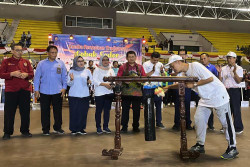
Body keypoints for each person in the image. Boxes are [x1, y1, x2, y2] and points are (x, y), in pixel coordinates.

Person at [165, 54, 238, 159]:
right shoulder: (182, 74)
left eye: (172, 66)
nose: (172, 68)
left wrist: (194, 85)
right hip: (205, 98)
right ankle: (200, 145)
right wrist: (167, 87)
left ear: (178, 62)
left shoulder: (195, 66)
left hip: (218, 95)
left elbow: (210, 78)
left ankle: (232, 148)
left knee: (226, 123)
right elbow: (183, 85)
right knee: (198, 119)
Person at [0, 43, 34, 140]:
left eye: (21, 50)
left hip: (24, 90)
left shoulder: (26, 62)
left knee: (25, 112)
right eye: (17, 50)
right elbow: (1, 74)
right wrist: (12, 74)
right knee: (9, 112)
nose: (20, 52)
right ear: (12, 51)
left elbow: (31, 74)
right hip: (11, 91)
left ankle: (25, 130)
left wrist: (26, 75)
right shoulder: (6, 62)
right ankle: (7, 132)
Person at [34, 45, 67, 135]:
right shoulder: (41, 64)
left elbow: (64, 77)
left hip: (58, 91)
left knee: (58, 111)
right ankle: (45, 129)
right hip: (44, 91)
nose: (54, 54)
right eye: (52, 52)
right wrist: (36, 89)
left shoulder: (61, 63)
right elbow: (37, 78)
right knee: (45, 111)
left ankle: (57, 127)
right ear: (47, 53)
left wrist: (64, 88)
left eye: (55, 52)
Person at [117, 51, 146, 133]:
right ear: (126, 58)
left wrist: (141, 82)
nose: (131, 58)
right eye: (129, 57)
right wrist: (124, 81)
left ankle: (136, 126)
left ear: (135, 57)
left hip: (137, 93)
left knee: (137, 111)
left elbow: (144, 78)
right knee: (125, 110)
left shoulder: (140, 67)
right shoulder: (122, 67)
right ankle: (124, 126)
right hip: (126, 92)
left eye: (133, 56)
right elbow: (118, 78)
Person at [216, 51, 244, 135]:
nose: (229, 59)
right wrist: (219, 72)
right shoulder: (224, 68)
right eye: (228, 58)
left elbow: (238, 81)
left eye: (231, 58)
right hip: (226, 91)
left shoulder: (239, 68)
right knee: (226, 110)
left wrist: (234, 72)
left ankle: (238, 128)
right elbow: (220, 81)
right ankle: (226, 126)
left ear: (235, 59)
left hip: (235, 91)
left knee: (236, 110)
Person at [67, 56, 92, 135]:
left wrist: (89, 82)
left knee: (83, 113)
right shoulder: (71, 71)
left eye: (82, 61)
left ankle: (81, 128)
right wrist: (71, 79)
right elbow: (68, 83)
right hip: (74, 95)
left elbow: (91, 83)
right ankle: (74, 129)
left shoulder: (87, 71)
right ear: (75, 62)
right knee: (74, 112)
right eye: (78, 61)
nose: (81, 62)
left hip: (84, 95)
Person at [143, 52, 165, 129]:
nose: (156, 62)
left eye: (157, 60)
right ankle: (148, 122)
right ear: (151, 58)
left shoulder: (160, 64)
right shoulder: (145, 64)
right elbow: (144, 76)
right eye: (154, 60)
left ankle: (159, 122)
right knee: (148, 105)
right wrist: (152, 71)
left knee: (158, 105)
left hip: (158, 87)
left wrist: (162, 71)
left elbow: (164, 76)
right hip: (148, 87)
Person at [93, 55, 115, 134]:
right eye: (104, 60)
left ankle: (106, 127)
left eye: (107, 60)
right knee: (99, 111)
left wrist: (112, 85)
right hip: (99, 93)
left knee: (107, 111)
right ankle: (98, 127)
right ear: (101, 61)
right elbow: (94, 81)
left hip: (109, 92)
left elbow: (114, 79)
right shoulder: (97, 69)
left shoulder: (111, 70)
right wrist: (104, 84)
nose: (105, 61)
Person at [200, 53, 218, 131]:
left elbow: (216, 79)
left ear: (208, 58)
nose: (203, 60)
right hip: (201, 91)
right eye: (201, 59)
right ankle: (201, 125)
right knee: (200, 109)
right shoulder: (199, 67)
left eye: (204, 58)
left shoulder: (213, 68)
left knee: (210, 108)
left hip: (210, 92)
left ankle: (210, 125)